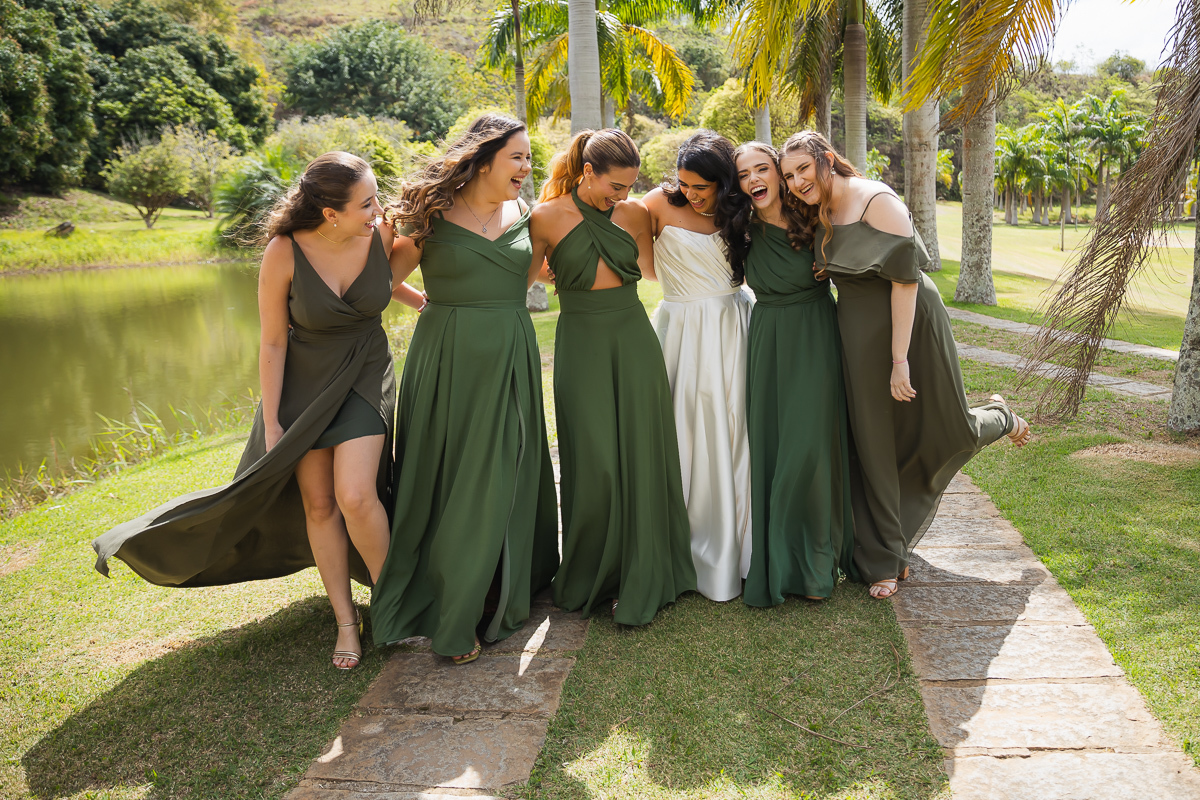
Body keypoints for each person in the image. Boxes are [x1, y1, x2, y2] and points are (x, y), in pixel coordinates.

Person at [93, 152, 425, 670]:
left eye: (376, 198)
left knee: (357, 496)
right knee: (320, 505)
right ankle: (345, 622)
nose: (378, 210)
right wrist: (272, 422)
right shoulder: (284, 251)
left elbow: (379, 282)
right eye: (366, 203)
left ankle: (395, 605)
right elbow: (272, 341)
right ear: (330, 213)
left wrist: (426, 303)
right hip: (303, 388)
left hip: (364, 373)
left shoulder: (380, 235)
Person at [778, 130, 1032, 600]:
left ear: (827, 159)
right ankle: (885, 558)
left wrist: (900, 361)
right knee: (873, 441)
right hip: (856, 334)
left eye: (802, 170)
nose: (796, 182)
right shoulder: (818, 208)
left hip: (911, 327)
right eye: (788, 176)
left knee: (947, 428)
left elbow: (905, 283)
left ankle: (1000, 417)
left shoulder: (878, 201)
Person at [371, 113, 559, 664]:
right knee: (451, 475)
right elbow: (383, 282)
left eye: (528, 158)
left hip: (510, 355)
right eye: (517, 157)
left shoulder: (529, 216)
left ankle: (496, 586)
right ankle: (451, 600)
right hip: (446, 360)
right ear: (482, 160)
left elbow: (530, 279)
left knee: (500, 470)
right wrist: (426, 302)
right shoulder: (431, 215)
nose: (526, 168)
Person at [529, 128, 696, 625]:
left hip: (633, 338)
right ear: (587, 172)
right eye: (615, 186)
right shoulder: (544, 216)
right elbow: (521, 278)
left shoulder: (637, 213)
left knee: (643, 452)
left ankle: (643, 570)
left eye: (630, 186)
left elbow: (655, 267)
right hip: (580, 343)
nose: (622, 196)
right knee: (594, 456)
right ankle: (591, 573)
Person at [732, 142, 858, 605]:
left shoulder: (813, 215)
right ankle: (779, 561)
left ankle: (816, 563)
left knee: (809, 447)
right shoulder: (740, 229)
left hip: (815, 334)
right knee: (774, 446)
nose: (753, 179)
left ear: (778, 174)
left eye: (761, 169)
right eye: (743, 174)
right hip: (767, 338)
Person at [641, 130, 753, 603]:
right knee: (684, 426)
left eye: (700, 187)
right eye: (684, 183)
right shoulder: (656, 204)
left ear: (723, 182)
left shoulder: (743, 210)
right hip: (682, 327)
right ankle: (682, 543)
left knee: (736, 426)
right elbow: (642, 265)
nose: (690, 193)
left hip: (733, 324)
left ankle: (740, 547)